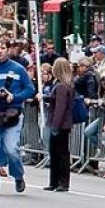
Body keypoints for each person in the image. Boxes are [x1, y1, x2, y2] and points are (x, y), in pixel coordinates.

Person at [0, 39, 35, 195]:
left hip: (13, 114)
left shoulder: (18, 69)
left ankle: (18, 175)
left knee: (12, 149)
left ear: (8, 50)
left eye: (2, 48)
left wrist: (15, 97)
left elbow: (30, 89)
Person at [44, 57, 75, 192]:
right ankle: (55, 181)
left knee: (60, 153)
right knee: (56, 153)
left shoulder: (61, 86)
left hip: (60, 124)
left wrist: (55, 125)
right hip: (63, 123)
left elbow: (60, 108)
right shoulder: (66, 85)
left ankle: (61, 182)